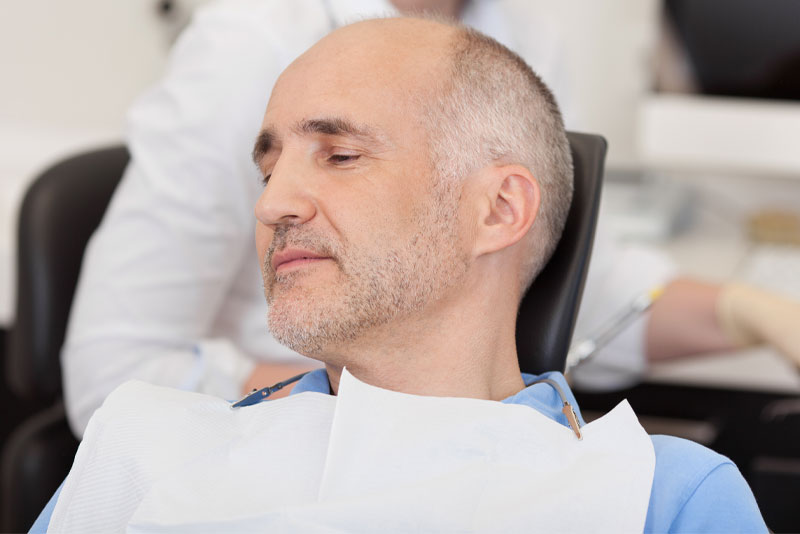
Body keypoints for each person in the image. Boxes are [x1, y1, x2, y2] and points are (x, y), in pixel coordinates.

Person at [36, 17, 766, 533]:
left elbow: (602, 288)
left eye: (340, 156)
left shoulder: (655, 499)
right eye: (266, 168)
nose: (270, 204)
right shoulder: (141, 444)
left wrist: (750, 309)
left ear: (499, 209)